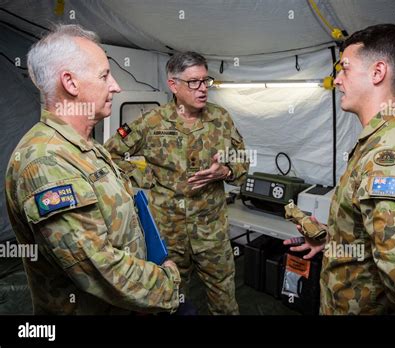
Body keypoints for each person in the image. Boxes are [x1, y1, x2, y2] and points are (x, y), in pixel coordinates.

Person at [4, 24, 181, 315]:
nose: (116, 86)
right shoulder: (47, 162)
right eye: (104, 75)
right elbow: (99, 268)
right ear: (70, 83)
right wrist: (168, 282)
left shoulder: (88, 147)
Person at [284, 24, 395, 315]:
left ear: (378, 73)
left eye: (345, 69)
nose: (337, 79)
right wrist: (333, 242)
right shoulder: (389, 138)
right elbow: (374, 236)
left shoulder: (388, 156)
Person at [105, 51, 248, 315]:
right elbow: (109, 156)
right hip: (169, 235)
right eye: (194, 82)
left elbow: (242, 161)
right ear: (174, 85)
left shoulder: (221, 119)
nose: (203, 88)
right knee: (170, 302)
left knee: (225, 301)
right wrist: (147, 176)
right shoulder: (152, 122)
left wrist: (226, 172)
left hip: (212, 232)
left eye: (206, 81)